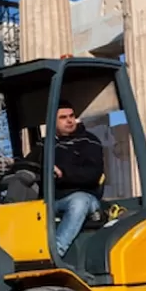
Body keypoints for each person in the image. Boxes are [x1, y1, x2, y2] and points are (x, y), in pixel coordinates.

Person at [30, 101, 105, 257]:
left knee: (78, 202)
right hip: (52, 200)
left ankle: (55, 252)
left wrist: (63, 173)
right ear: (52, 122)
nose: (70, 121)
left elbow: (92, 174)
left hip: (85, 197)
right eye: (63, 117)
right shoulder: (44, 145)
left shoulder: (89, 141)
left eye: (71, 116)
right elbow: (28, 164)